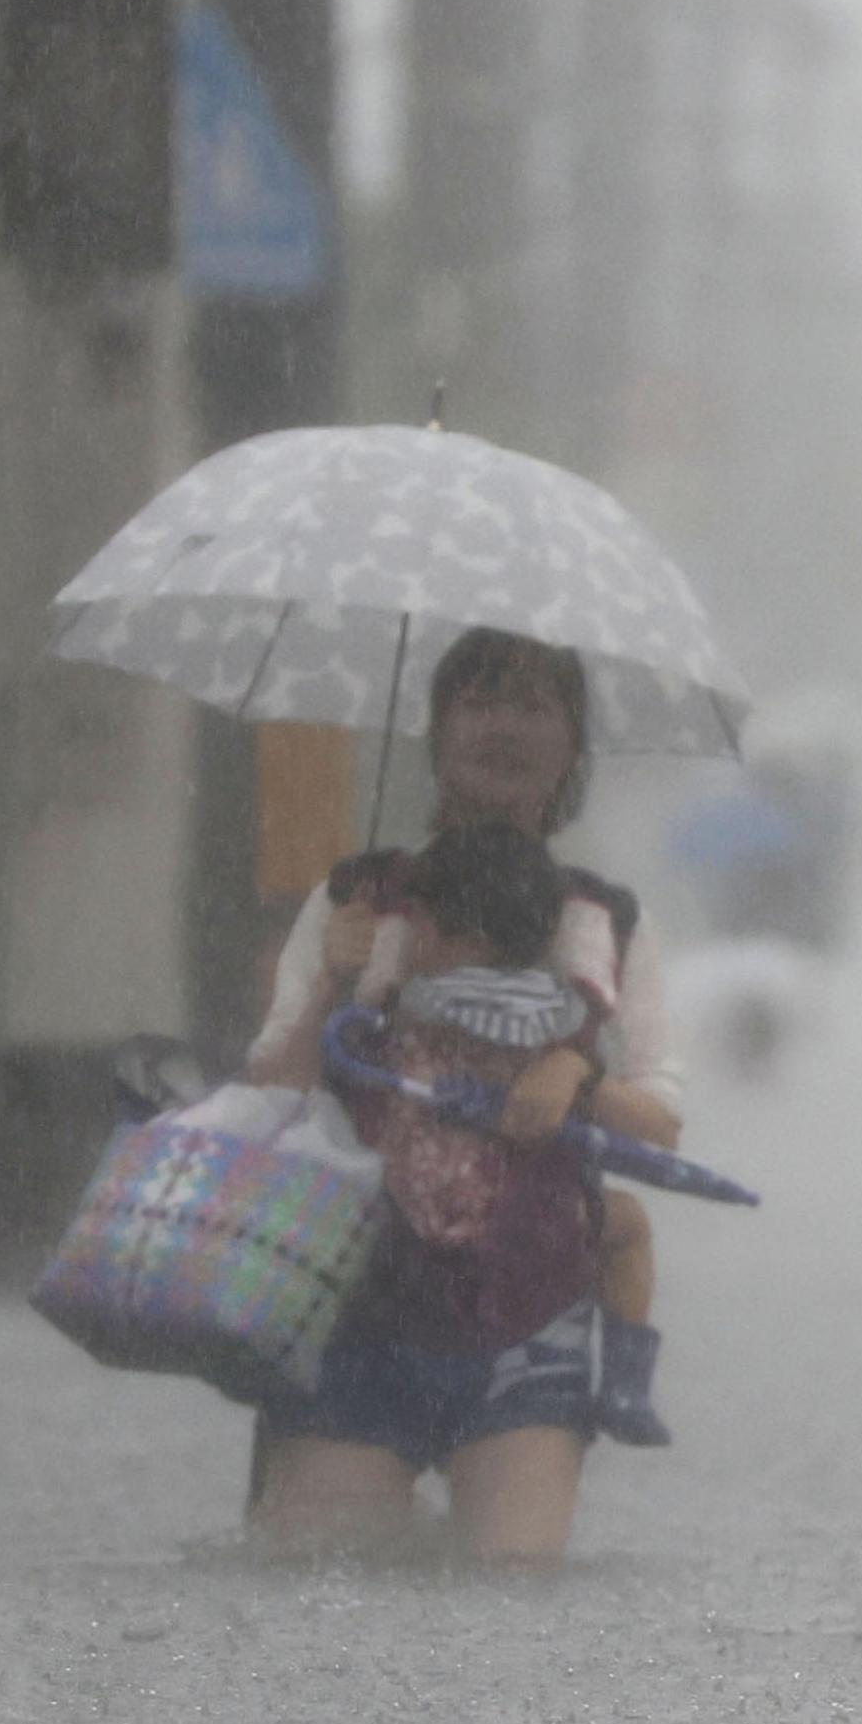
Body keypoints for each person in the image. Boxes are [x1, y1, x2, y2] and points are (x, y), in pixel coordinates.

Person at [238, 628, 685, 1563]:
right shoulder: (357, 901)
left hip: (531, 1320)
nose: (505, 728)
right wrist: (331, 985)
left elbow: (662, 1122)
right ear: (437, 731)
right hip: (353, 1316)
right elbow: (266, 1098)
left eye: (534, 706)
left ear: (571, 746)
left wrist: (580, 1077)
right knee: (312, 1590)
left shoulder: (606, 920)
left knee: (512, 1587)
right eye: (481, 701)